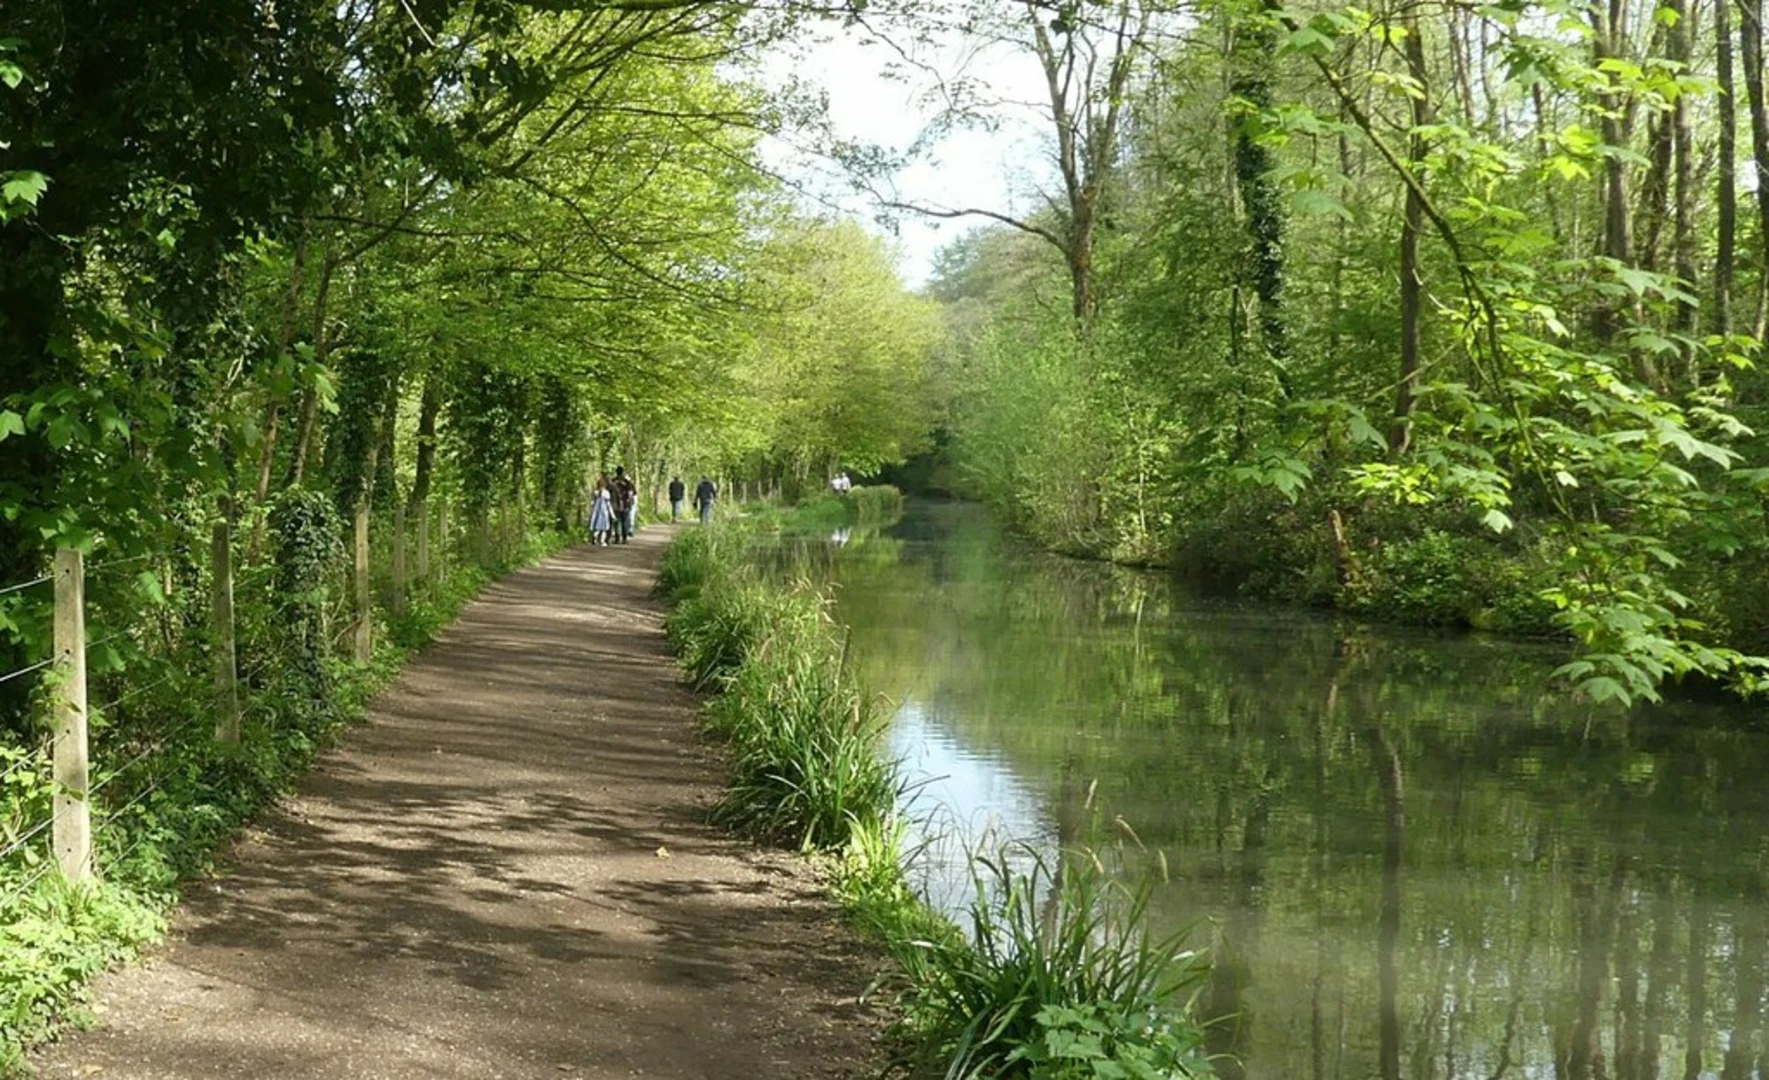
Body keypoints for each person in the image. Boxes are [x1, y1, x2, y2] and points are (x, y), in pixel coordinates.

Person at [610, 466, 637, 544]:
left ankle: (617, 537)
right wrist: (630, 502)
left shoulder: (613, 481)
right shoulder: (627, 482)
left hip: (615, 504)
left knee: (616, 521)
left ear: (616, 472)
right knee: (624, 521)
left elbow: (609, 492)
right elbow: (631, 493)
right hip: (625, 504)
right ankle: (624, 538)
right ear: (623, 472)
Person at [589, 476, 613, 546]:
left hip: (596, 511)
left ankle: (595, 536)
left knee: (597, 527)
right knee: (604, 529)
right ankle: (602, 541)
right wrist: (612, 514)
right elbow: (608, 505)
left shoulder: (595, 492)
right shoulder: (606, 493)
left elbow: (592, 502)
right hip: (604, 512)